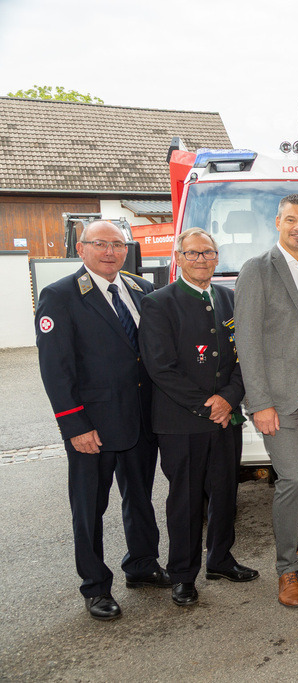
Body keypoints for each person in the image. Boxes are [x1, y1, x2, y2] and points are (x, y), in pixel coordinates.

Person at [35, 220, 168, 621]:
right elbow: (56, 369)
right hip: (93, 425)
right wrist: (74, 425)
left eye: (118, 245)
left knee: (140, 497)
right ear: (81, 248)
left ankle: (142, 564)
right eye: (100, 244)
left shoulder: (141, 289)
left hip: (141, 419)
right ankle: (95, 586)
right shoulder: (60, 295)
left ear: (127, 250)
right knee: (89, 507)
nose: (110, 252)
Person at [139, 228, 259, 606]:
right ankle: (183, 574)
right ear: (178, 258)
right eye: (192, 253)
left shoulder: (228, 298)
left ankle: (220, 559)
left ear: (217, 257)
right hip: (182, 423)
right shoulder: (158, 303)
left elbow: (245, 357)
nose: (201, 259)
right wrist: (211, 405)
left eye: (207, 252)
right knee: (186, 501)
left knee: (225, 494)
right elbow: (161, 367)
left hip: (226, 418)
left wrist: (230, 398)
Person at [235, 194, 298, 607]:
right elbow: (247, 341)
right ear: (277, 222)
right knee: (292, 479)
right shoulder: (257, 269)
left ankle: (294, 549)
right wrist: (259, 403)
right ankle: (285, 569)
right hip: (278, 399)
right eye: (291, 219)